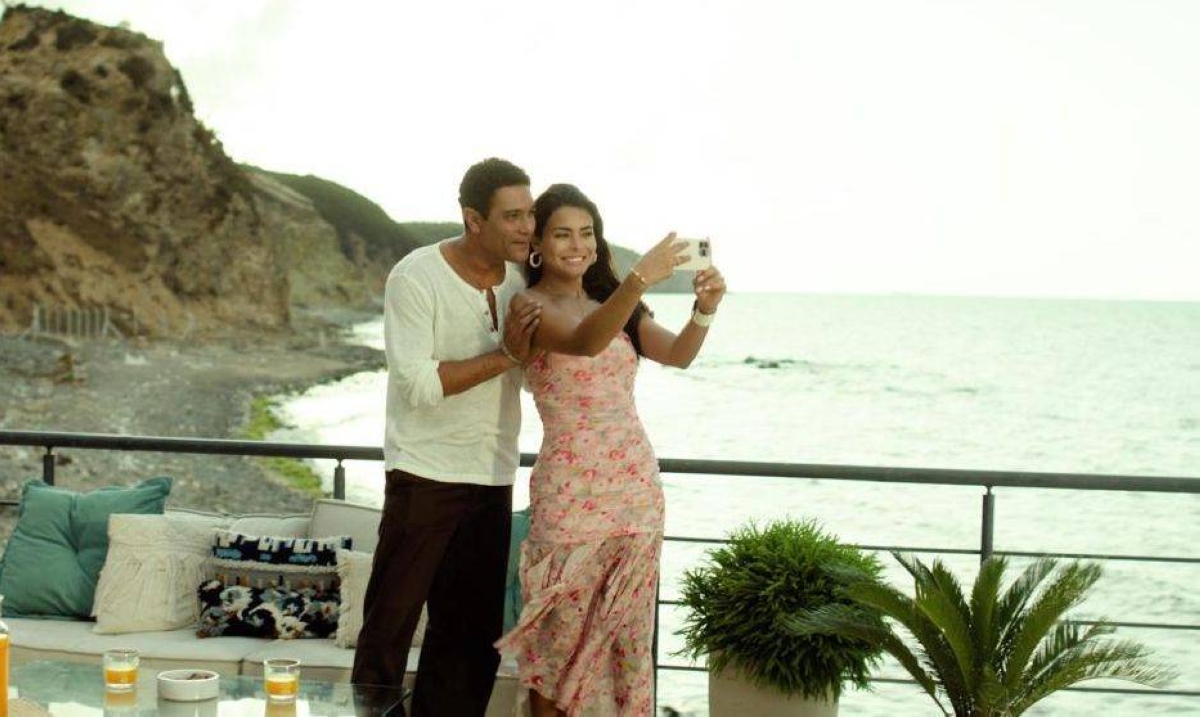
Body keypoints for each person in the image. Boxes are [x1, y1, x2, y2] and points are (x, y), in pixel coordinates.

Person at [352, 161, 686, 717]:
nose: (527, 226)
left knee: (468, 641)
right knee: (391, 626)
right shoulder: (416, 277)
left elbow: (579, 337)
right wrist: (508, 354)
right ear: (473, 219)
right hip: (424, 474)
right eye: (513, 216)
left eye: (530, 214)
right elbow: (418, 385)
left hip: (493, 474)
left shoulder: (517, 283)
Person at [495, 184, 726, 716]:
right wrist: (638, 277)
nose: (577, 245)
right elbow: (585, 341)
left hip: (635, 495)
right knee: (557, 650)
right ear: (538, 245)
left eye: (586, 234)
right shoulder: (529, 306)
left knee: (625, 646)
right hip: (569, 497)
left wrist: (704, 311)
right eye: (562, 234)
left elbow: (678, 353)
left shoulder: (616, 305)